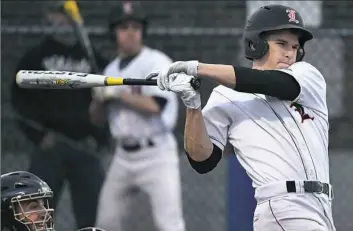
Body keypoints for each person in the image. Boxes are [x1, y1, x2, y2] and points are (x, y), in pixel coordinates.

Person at [150, 4, 336, 231]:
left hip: (321, 206)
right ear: (255, 45)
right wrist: (192, 105)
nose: (290, 52)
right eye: (281, 44)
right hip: (283, 206)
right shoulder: (224, 95)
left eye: (295, 46)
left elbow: (269, 82)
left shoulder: (307, 76)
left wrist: (198, 68)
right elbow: (202, 160)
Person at [10, 1, 109, 229]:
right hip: (50, 147)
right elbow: (19, 102)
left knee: (91, 215)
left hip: (85, 148)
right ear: (49, 17)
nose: (61, 20)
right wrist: (38, 136)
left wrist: (101, 137)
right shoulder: (35, 58)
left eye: (66, 15)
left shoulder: (93, 58)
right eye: (57, 14)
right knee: (35, 215)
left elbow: (107, 99)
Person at [90, 2, 186, 231]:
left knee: (169, 224)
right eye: (124, 27)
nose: (130, 33)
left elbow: (156, 106)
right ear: (114, 33)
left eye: (135, 27)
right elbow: (97, 120)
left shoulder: (157, 62)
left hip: (157, 154)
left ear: (143, 31)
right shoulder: (110, 70)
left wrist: (117, 94)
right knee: (106, 223)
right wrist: (98, 100)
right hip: (123, 156)